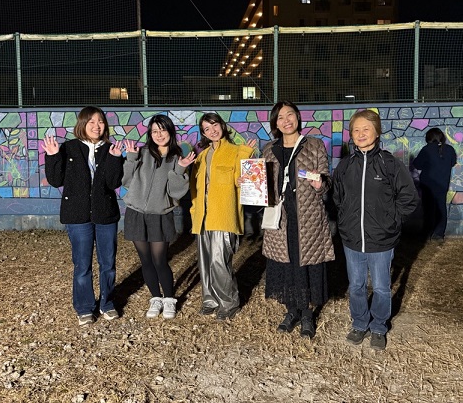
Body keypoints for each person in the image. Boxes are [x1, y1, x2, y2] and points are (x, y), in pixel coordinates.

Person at [332, 109, 419, 350]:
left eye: (366, 129)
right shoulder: (345, 166)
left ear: (377, 132)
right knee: (356, 285)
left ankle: (379, 326)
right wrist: (346, 220)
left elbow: (409, 197)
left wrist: (392, 220)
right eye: (356, 130)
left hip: (382, 240)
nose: (361, 134)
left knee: (381, 287)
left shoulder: (390, 164)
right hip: (352, 239)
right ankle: (360, 323)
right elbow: (337, 197)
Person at [41, 106, 124, 326]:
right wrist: (52, 156)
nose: (97, 126)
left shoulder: (111, 149)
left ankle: (107, 303)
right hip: (77, 215)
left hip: (105, 214)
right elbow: (55, 180)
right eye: (91, 122)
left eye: (101, 121)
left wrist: (115, 159)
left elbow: (113, 182)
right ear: (82, 124)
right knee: (82, 264)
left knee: (108, 263)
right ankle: (84, 307)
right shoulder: (69, 148)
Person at [261, 101, 335, 339]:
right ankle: (291, 310)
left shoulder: (313, 145)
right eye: (280, 117)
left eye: (290, 114)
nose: (286, 120)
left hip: (307, 216)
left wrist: (320, 184)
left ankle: (307, 314)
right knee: (286, 262)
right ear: (275, 123)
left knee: (305, 264)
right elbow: (264, 186)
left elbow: (326, 181)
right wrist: (249, 185)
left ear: (298, 117)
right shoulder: (269, 150)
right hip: (280, 218)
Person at [122, 114, 196, 320]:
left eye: (163, 130)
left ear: (170, 132)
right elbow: (126, 181)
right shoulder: (142, 153)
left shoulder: (176, 157)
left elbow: (175, 192)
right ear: (150, 134)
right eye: (155, 131)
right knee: (145, 260)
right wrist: (130, 158)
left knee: (160, 260)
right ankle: (155, 297)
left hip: (160, 215)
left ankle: (169, 298)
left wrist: (180, 169)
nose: (159, 134)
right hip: (136, 213)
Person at [190, 112, 256, 321]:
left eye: (214, 125)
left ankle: (229, 303)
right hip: (202, 217)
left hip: (223, 215)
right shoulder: (201, 157)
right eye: (207, 129)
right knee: (205, 262)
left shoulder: (238, 151)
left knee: (219, 261)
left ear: (222, 125)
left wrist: (243, 173)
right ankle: (209, 300)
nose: (212, 131)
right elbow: (194, 189)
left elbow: (243, 180)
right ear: (203, 133)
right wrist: (194, 212)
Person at [413, 127, 457, 242]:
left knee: (428, 209)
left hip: (428, 184)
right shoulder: (450, 149)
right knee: (441, 208)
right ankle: (438, 234)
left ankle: (427, 232)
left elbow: (417, 164)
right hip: (443, 184)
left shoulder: (426, 149)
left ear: (429, 138)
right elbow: (452, 163)